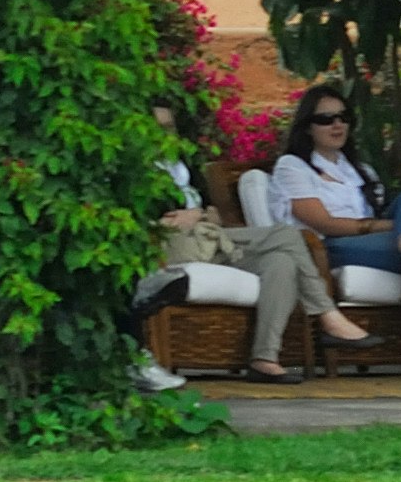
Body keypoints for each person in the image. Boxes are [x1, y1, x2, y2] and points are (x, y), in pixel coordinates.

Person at [140, 102, 379, 386]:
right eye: (157, 128)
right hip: (174, 244)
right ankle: (327, 315)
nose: (165, 135)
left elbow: (215, 213)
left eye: (169, 127)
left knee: (282, 261)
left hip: (210, 241)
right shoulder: (139, 174)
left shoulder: (183, 167)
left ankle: (264, 359)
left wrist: (198, 214)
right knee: (286, 235)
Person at [268, 84, 401, 382]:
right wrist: (399, 226)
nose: (337, 124)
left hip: (371, 241)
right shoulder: (292, 167)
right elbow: (323, 223)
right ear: (307, 127)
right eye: (326, 119)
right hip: (327, 247)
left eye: (343, 117)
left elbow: (381, 212)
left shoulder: (360, 169)